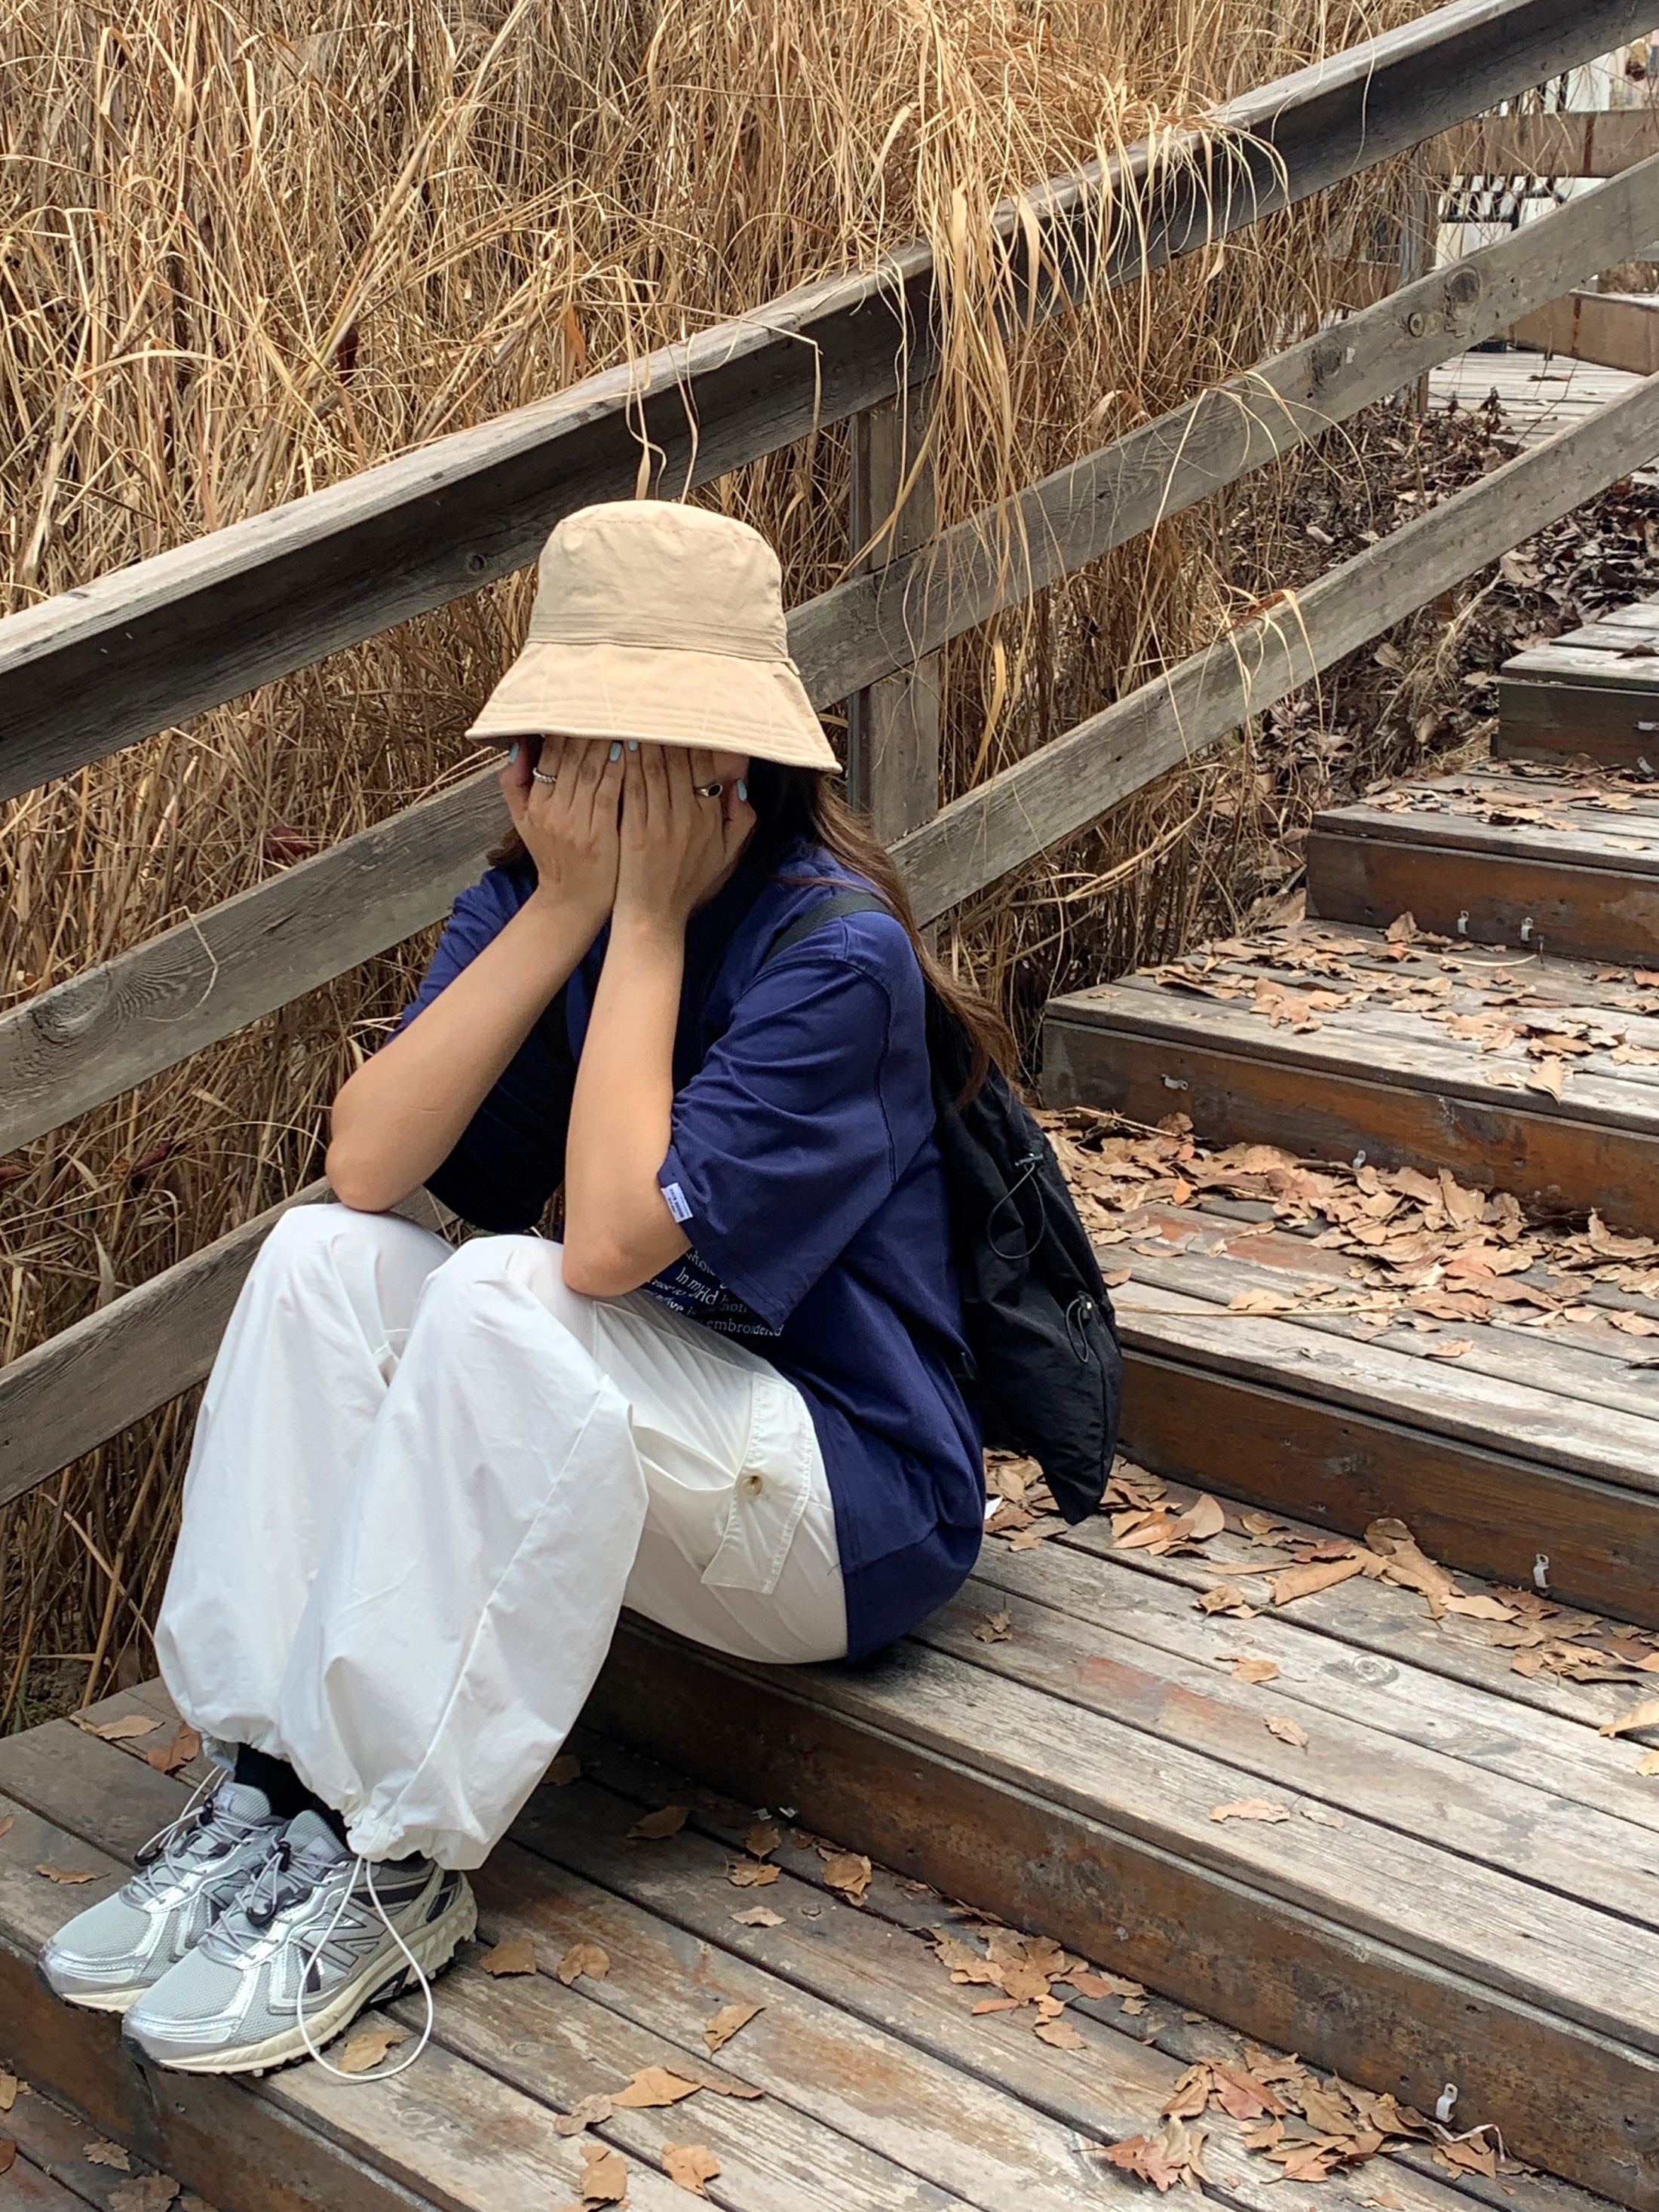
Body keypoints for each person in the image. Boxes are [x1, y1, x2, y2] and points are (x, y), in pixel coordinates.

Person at [41, 499, 1007, 2079]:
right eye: (574, 734)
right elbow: (367, 1164)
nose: (599, 774)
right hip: (647, 1428)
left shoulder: (833, 957)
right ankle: (270, 1791)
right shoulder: (533, 902)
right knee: (323, 1256)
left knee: (504, 1288)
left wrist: (643, 919)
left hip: (843, 1507)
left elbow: (607, 1247)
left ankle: (395, 1861)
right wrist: (565, 908)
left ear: (733, 760)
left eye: (646, 739)